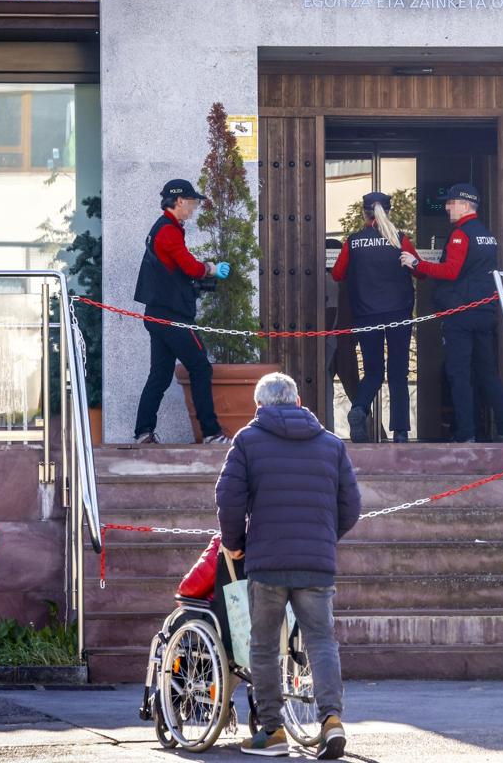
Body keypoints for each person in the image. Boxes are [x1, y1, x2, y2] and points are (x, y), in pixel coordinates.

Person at [216, 372, 361, 759]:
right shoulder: (331, 444)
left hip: (266, 563)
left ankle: (273, 730)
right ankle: (331, 720)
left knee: (263, 647)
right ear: (298, 403)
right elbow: (352, 506)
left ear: (260, 407)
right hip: (316, 564)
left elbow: (228, 498)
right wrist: (324, 539)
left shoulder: (247, 441)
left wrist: (234, 545)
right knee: (321, 640)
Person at [401, 183, 503, 443]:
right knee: (487, 371)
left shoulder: (461, 234)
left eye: (451, 202)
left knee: (458, 373)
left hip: (461, 314)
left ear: (464, 204)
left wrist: (417, 263)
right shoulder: (486, 235)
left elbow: (451, 271)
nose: (447, 207)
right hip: (485, 311)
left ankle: (466, 433)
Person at [133, 178, 232, 445]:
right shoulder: (168, 230)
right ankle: (211, 433)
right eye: (192, 202)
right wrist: (211, 268)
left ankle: (143, 432)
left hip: (157, 314)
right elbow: (189, 267)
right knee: (200, 367)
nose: (195, 207)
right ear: (179, 201)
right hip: (172, 316)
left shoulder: (165, 228)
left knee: (160, 375)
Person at [330, 192, 423, 443]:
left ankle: (359, 408)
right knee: (398, 372)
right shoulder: (400, 240)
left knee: (372, 371)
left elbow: (338, 274)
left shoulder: (353, 241)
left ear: (364, 214)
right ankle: (401, 432)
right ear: (388, 213)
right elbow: (420, 271)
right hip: (399, 314)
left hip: (366, 314)